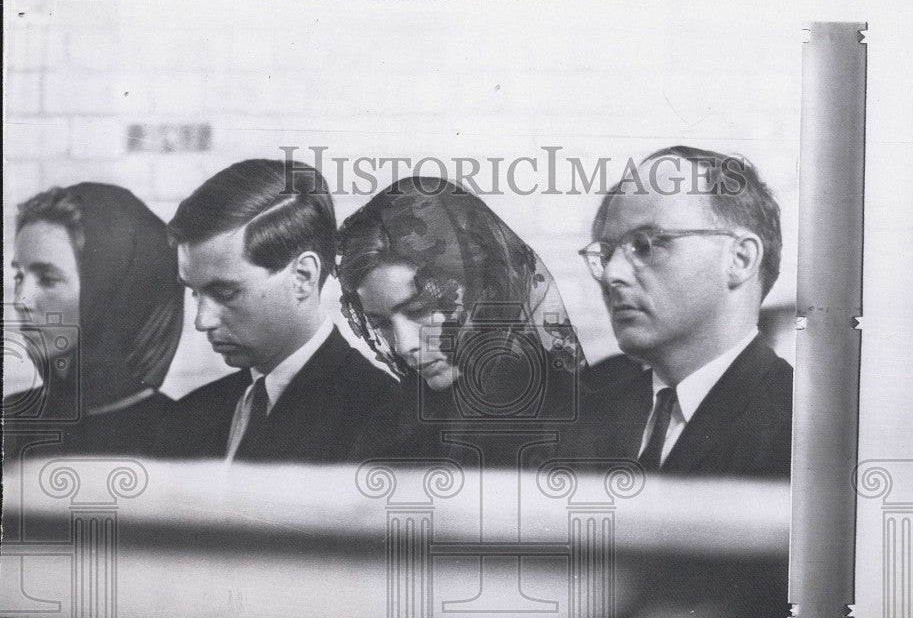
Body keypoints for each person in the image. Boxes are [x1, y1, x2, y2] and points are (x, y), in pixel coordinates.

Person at [153, 159, 399, 462]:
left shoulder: (382, 418)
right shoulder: (189, 415)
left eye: (225, 293)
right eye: (194, 292)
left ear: (302, 278)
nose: (202, 321)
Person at [575, 145, 792, 478]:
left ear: (740, 260)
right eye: (606, 254)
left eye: (645, 245)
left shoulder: (799, 425)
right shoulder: (588, 399)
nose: (611, 274)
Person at [337, 176, 584, 467]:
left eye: (418, 310)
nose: (404, 345)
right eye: (382, 324)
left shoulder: (567, 417)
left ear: (481, 289)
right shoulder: (392, 422)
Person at [6, 183, 184, 455]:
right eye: (19, 276)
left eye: (48, 279)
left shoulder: (181, 436)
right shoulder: (13, 420)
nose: (20, 301)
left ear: (112, 292)